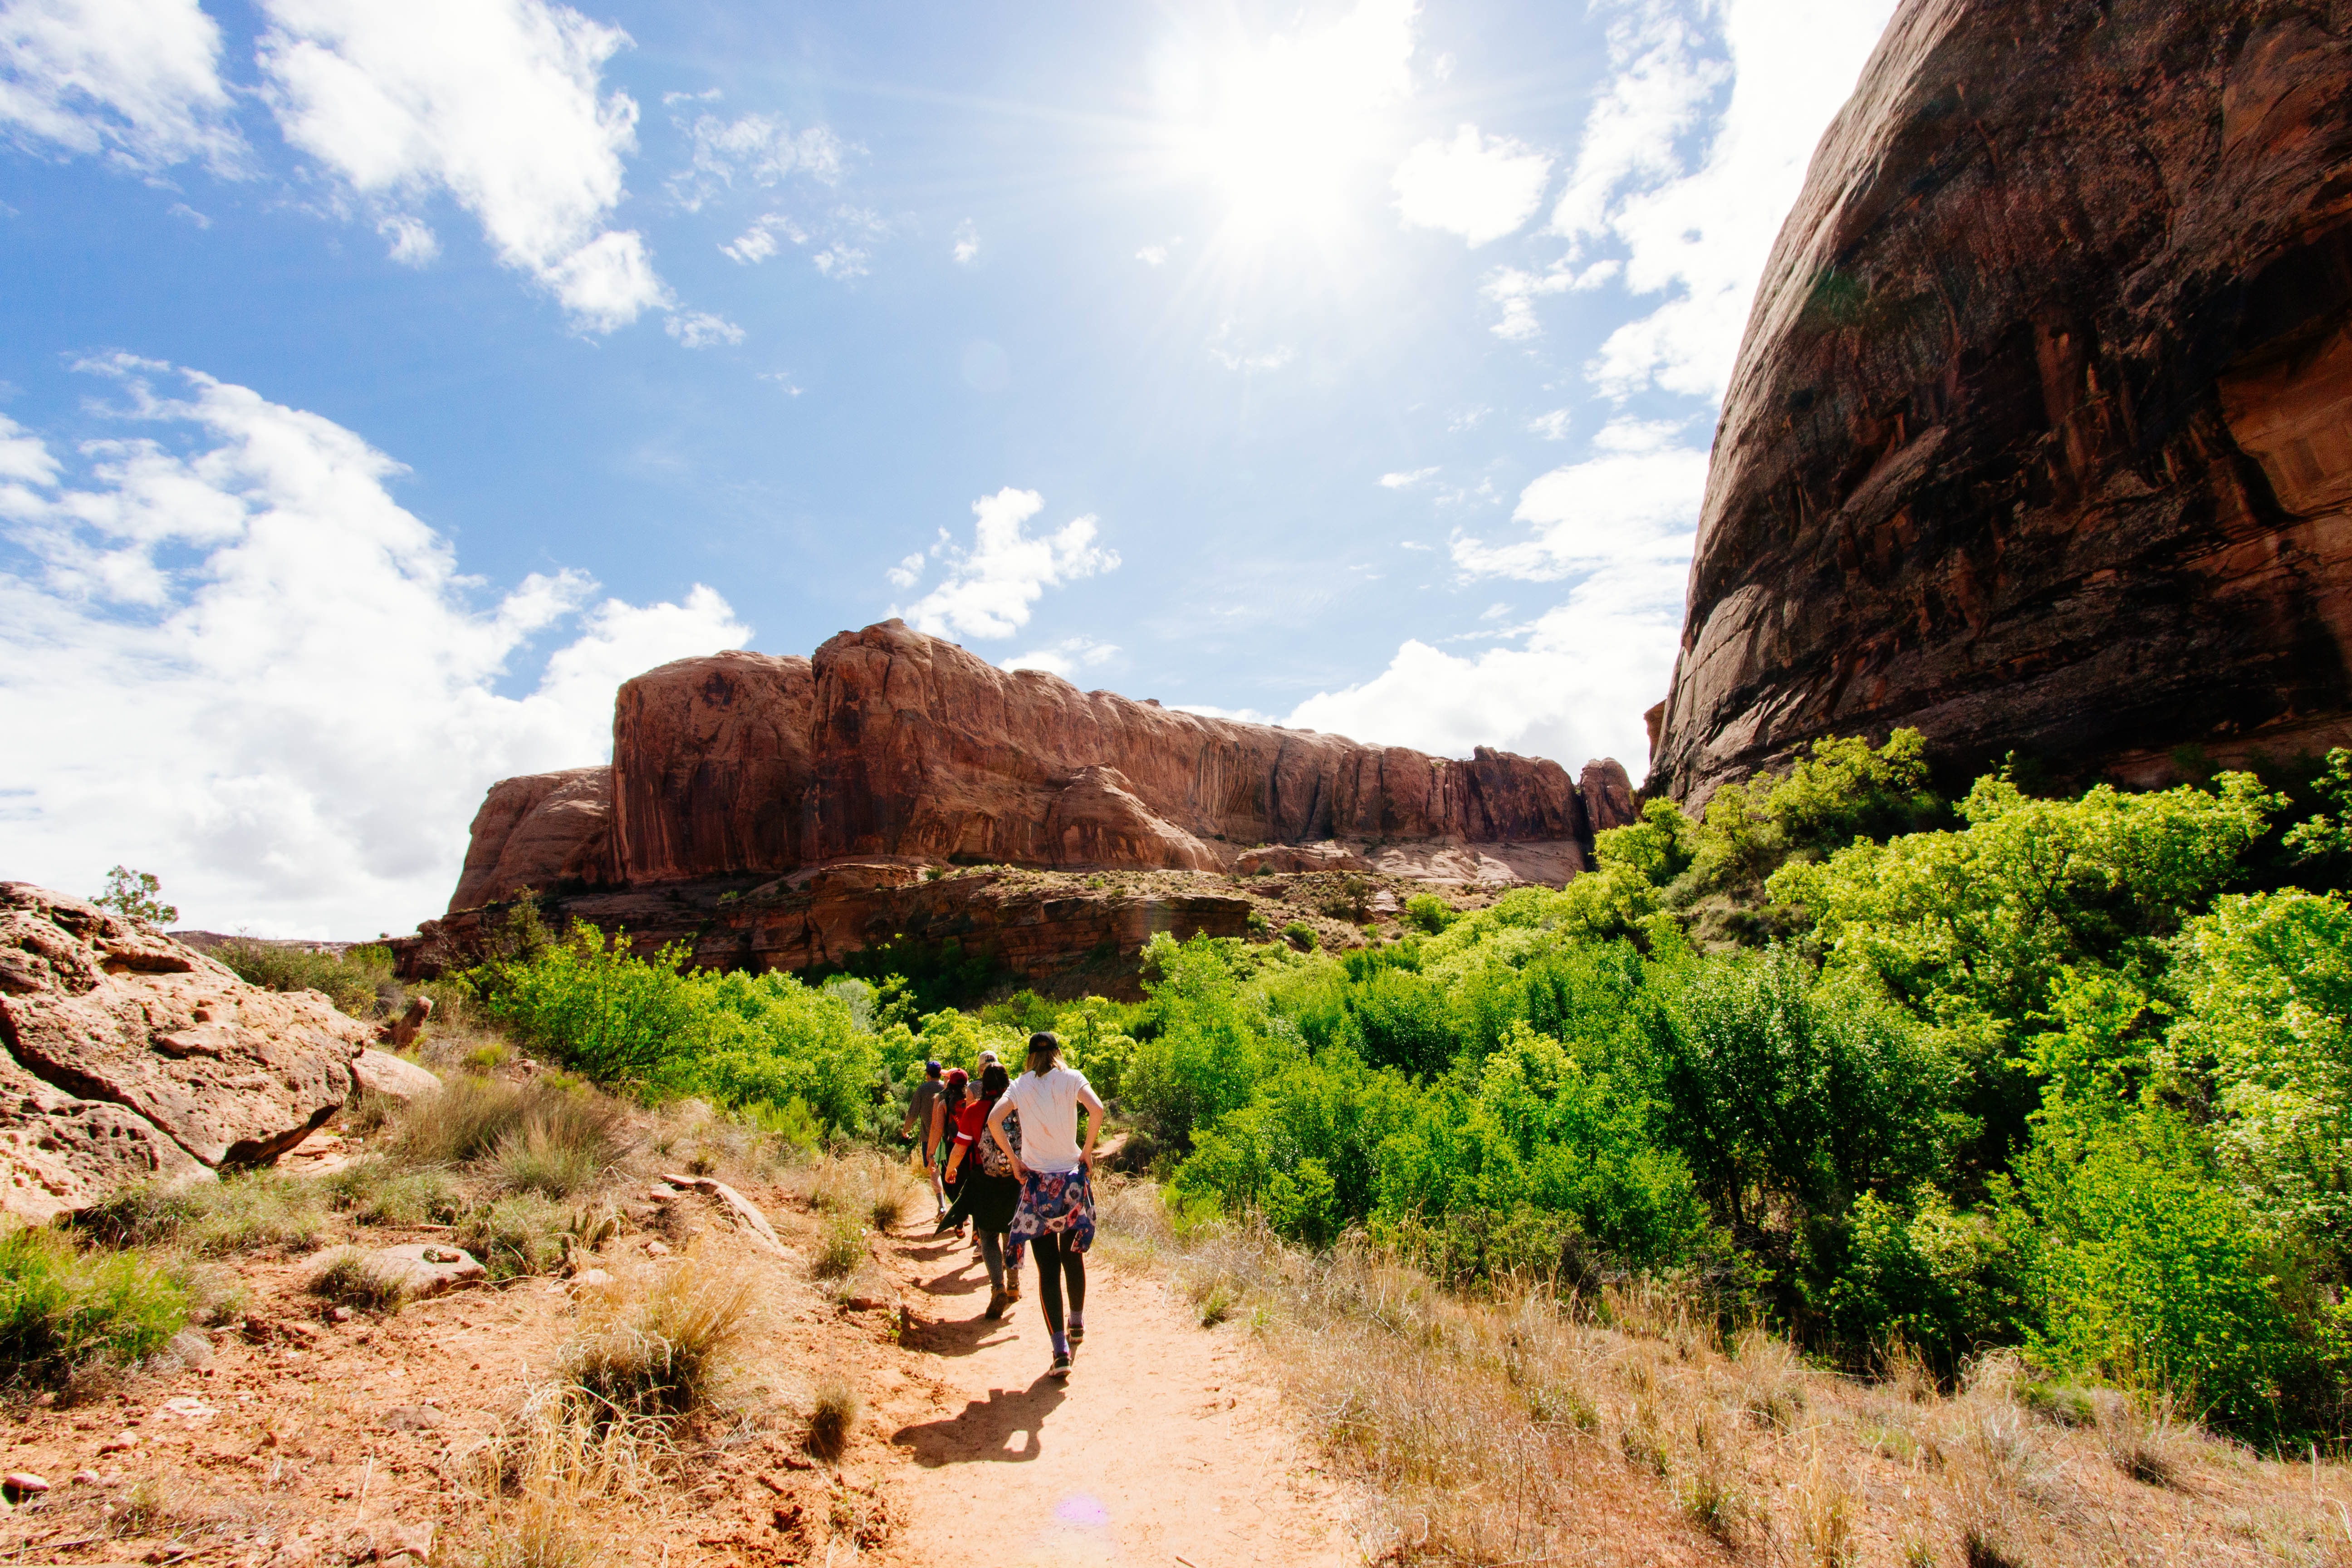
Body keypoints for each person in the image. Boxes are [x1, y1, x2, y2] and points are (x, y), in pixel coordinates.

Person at [988, 1031, 1104, 1378]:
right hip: (1070, 1181)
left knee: (1048, 1268)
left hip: (1037, 1184)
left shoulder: (1020, 1086)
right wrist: (1086, 1153)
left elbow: (994, 1120)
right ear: (1056, 1052)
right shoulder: (1072, 1079)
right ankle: (1078, 1324)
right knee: (1073, 1256)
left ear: (1029, 1057)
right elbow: (1096, 1110)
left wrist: (1014, 1159)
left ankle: (1060, 1351)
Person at [941, 1062, 1025, 1318]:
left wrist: (950, 1170)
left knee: (988, 1236)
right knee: (1011, 1233)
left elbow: (959, 1148)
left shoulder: (974, 1110)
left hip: (985, 1179)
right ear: (1008, 1084)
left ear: (982, 1086)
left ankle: (997, 1287)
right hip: (1017, 1178)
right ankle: (1013, 1285)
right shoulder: (1020, 1109)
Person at [902, 1060, 946, 1221]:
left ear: (927, 1074)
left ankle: (942, 1206)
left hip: (929, 1138)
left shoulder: (922, 1090)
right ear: (940, 1073)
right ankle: (960, 1214)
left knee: (934, 1171)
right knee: (950, 1171)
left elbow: (912, 1114)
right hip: (947, 1138)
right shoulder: (946, 1088)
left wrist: (906, 1130)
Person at [932, 1067, 970, 1235]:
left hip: (952, 1147)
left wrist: (931, 1153)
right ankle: (971, 1226)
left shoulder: (944, 1102)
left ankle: (960, 1217)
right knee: (968, 1184)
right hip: (970, 1147)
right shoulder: (972, 1100)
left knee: (950, 1184)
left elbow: (937, 1129)